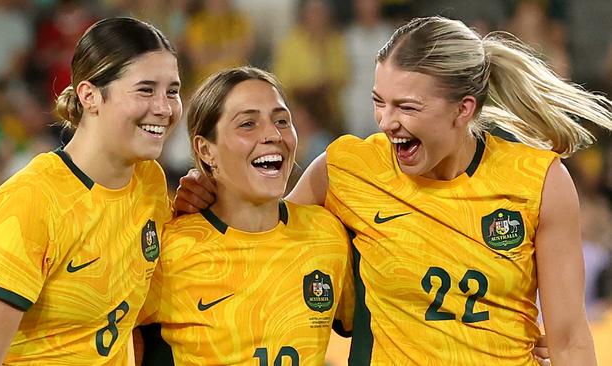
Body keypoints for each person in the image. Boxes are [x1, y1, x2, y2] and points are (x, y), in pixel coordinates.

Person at [174, 16, 612, 365]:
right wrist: (212, 189)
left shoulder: (538, 179)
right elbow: (268, 240)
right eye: (379, 101)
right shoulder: (348, 167)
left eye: (407, 107)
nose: (386, 122)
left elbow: (571, 340)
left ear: (464, 110)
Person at [0, 17, 182, 365]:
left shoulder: (150, 181)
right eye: (145, 89)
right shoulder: (30, 202)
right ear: (89, 95)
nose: (165, 107)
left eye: (172, 91)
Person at [138, 66, 353, 365]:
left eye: (281, 120)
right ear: (206, 150)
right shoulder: (169, 249)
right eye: (248, 124)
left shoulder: (328, 235)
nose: (272, 134)